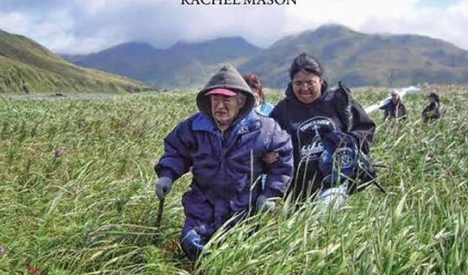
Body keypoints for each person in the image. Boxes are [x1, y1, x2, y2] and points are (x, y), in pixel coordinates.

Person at [154, 65, 293, 261]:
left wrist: (269, 194)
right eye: (215, 100)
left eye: (226, 100)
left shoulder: (264, 129)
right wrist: (167, 175)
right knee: (190, 242)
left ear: (241, 101)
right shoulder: (194, 127)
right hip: (202, 208)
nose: (220, 106)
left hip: (243, 210)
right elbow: (177, 151)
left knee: (239, 255)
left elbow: (283, 161)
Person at [270, 52, 376, 199]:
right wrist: (270, 155)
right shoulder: (282, 110)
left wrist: (349, 141)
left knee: (325, 215)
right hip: (298, 191)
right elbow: (269, 142)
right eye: (298, 83)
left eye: (310, 82)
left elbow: (366, 128)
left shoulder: (339, 102)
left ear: (320, 80)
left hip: (339, 182)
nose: (304, 88)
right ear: (291, 83)